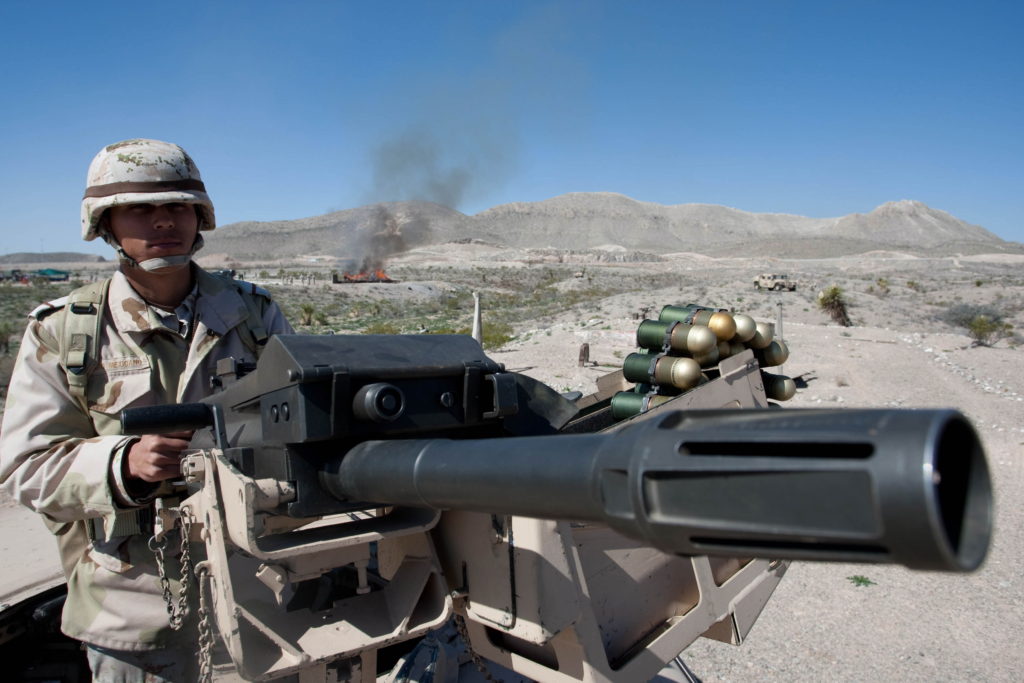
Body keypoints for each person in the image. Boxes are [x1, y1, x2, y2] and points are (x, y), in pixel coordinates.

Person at [0, 138, 293, 681]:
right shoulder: (64, 331)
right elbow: (24, 469)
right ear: (105, 222)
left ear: (199, 216)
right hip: (132, 609)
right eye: (141, 208)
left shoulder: (254, 313)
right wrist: (121, 463)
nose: (164, 221)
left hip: (261, 592)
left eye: (178, 206)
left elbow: (299, 423)